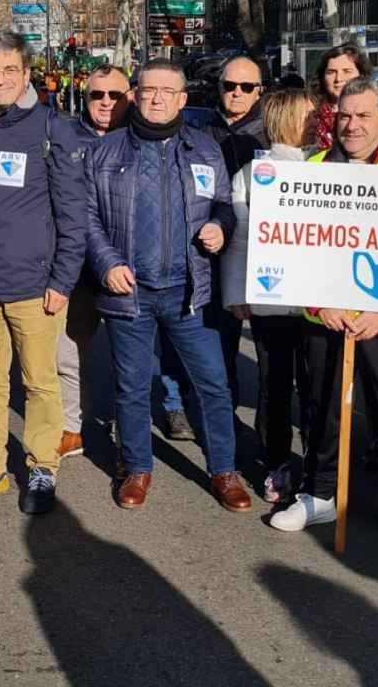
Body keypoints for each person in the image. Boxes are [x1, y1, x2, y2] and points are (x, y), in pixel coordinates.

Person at [268, 79, 378, 546]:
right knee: (321, 409)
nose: (352, 125)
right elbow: (289, 252)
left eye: (363, 116)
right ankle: (319, 494)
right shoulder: (312, 169)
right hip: (327, 319)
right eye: (344, 115)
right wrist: (322, 305)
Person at [86, 58, 251, 513]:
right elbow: (87, 218)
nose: (157, 98)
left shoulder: (203, 149)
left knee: (213, 384)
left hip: (190, 292)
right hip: (129, 292)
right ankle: (136, 468)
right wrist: (107, 263)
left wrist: (221, 226)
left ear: (182, 99)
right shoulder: (105, 152)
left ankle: (223, 470)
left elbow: (223, 203)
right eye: (148, 89)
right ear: (136, 94)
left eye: (167, 91)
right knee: (132, 386)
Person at [0, 31, 87, 514]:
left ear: (27, 74)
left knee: (40, 383)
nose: (1, 79)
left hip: (34, 285)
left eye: (10, 70)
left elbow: (74, 216)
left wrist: (61, 281)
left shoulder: (52, 128)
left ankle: (42, 467)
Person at [220, 88, 315, 503]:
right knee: (294, 384)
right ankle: (293, 463)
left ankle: (284, 462)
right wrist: (237, 294)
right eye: (309, 116)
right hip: (293, 300)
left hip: (292, 300)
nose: (317, 123)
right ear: (290, 120)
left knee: (276, 383)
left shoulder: (324, 167)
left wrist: (239, 295)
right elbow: (239, 241)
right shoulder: (253, 174)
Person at [56, 64, 132, 460]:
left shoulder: (141, 138)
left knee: (128, 358)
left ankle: (127, 430)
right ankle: (72, 426)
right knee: (69, 352)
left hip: (125, 267)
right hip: (77, 266)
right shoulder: (66, 135)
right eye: (97, 95)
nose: (106, 102)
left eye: (115, 95)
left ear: (129, 96)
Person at [203, 54, 269, 410]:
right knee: (219, 345)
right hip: (216, 256)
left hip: (264, 259)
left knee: (270, 355)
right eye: (230, 86)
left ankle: (269, 439)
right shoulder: (201, 133)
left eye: (247, 87)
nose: (237, 93)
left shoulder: (272, 135)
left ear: (260, 91)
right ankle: (223, 423)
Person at [311, 44, 369, 149]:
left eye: (347, 71)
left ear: (361, 75)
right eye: (331, 72)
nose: (338, 78)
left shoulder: (374, 112)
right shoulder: (310, 115)